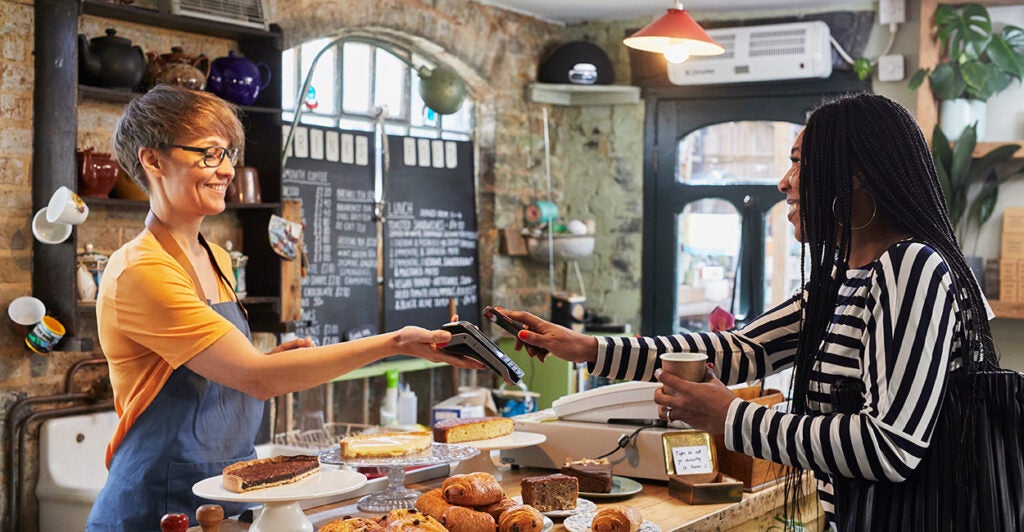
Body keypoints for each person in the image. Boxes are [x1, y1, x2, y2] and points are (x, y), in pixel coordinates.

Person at [504, 93, 997, 529]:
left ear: (857, 177)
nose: (784, 183)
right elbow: (740, 350)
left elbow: (889, 446)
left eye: (800, 163)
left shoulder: (911, 267)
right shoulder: (844, 281)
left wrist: (731, 417)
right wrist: (586, 347)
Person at [86, 84, 484, 531]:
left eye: (229, 155)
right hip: (156, 504)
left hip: (234, 486)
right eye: (210, 153)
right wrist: (395, 342)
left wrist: (268, 362)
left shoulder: (214, 257)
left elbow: (235, 371)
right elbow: (257, 380)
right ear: (152, 159)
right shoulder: (142, 271)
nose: (226, 171)